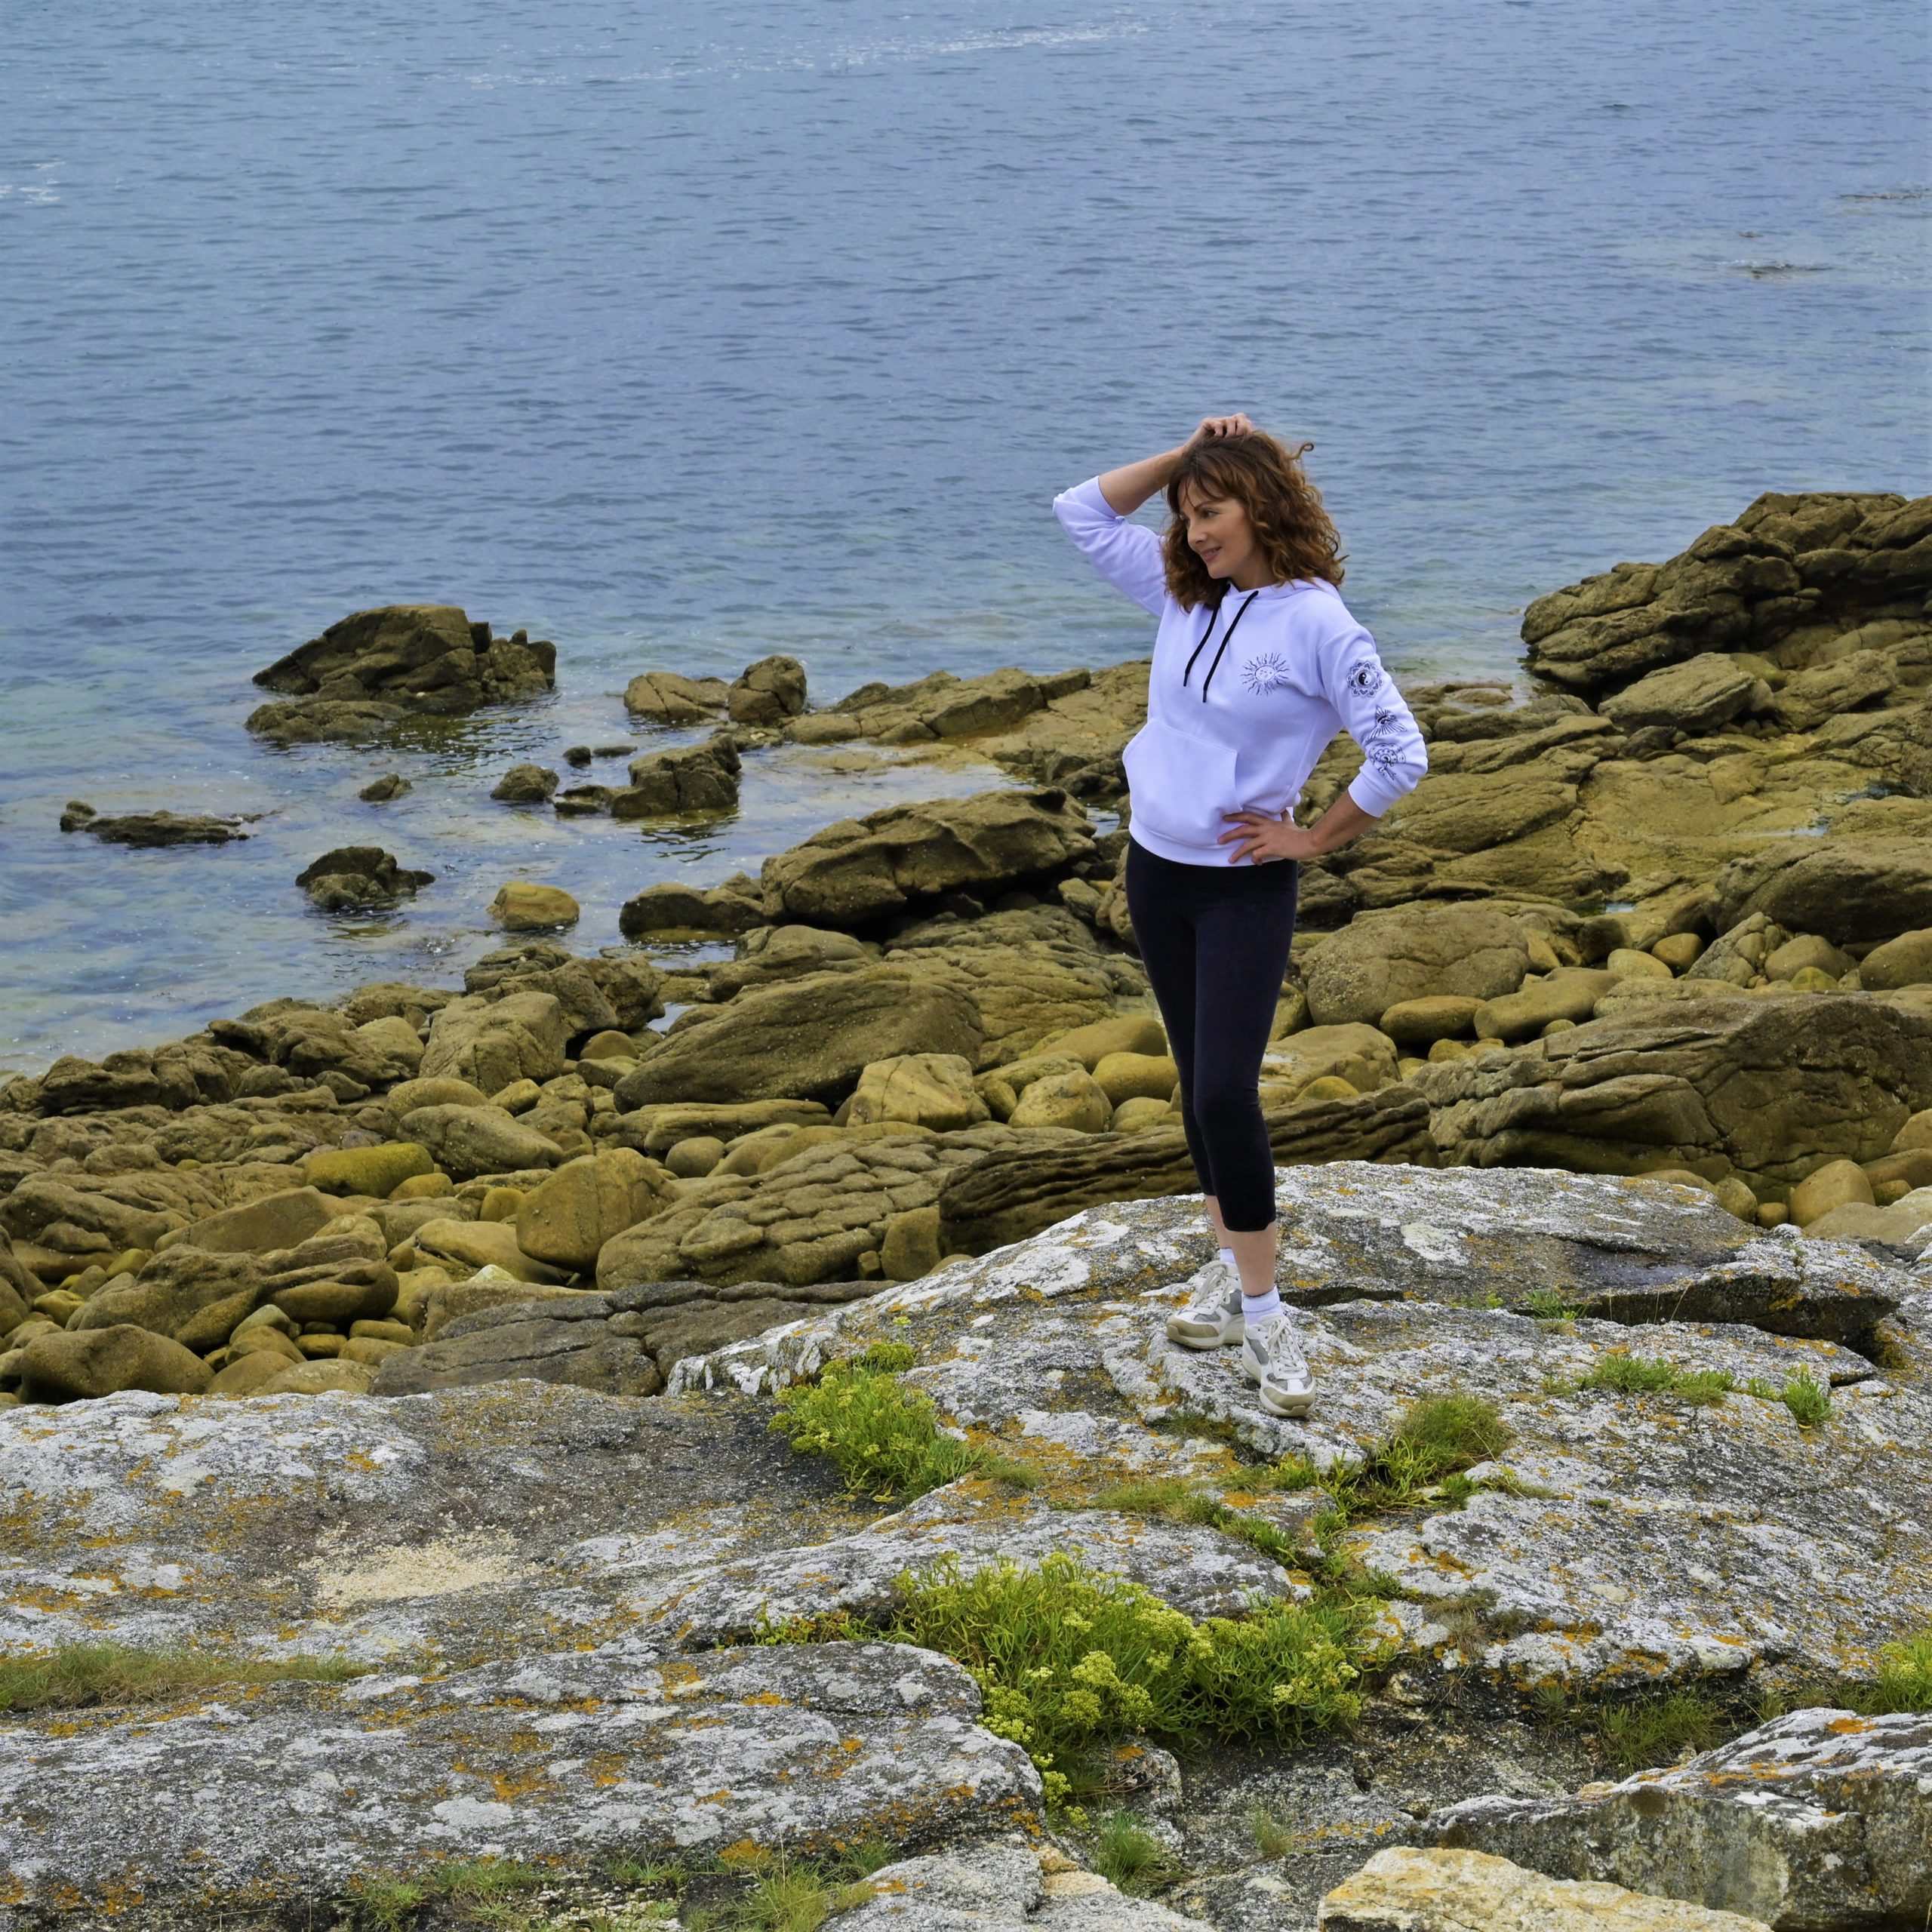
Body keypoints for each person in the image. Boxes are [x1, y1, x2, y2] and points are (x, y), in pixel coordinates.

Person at [1053, 416, 1427, 1417]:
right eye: (1185, 514)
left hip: (1242, 886)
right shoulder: (1185, 589)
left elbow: (1403, 752)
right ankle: (1233, 1268)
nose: (1193, 530)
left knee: (1226, 1093)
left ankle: (1267, 1319)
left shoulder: (1318, 623)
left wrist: (1314, 839)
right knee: (1195, 1085)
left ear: (1262, 510)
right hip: (1155, 869)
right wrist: (1186, 457)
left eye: (1211, 513)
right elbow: (1081, 512)